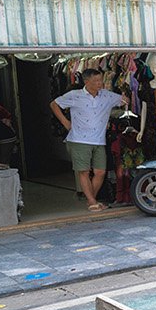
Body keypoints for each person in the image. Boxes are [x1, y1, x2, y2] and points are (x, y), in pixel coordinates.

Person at [50, 68, 126, 212]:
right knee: (83, 172)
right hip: (79, 140)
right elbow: (54, 104)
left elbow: (123, 100)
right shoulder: (75, 95)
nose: (100, 83)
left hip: (99, 140)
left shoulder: (106, 95)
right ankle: (92, 201)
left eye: (101, 80)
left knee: (100, 172)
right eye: (96, 81)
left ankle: (92, 200)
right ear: (86, 82)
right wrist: (66, 122)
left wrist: (127, 97)